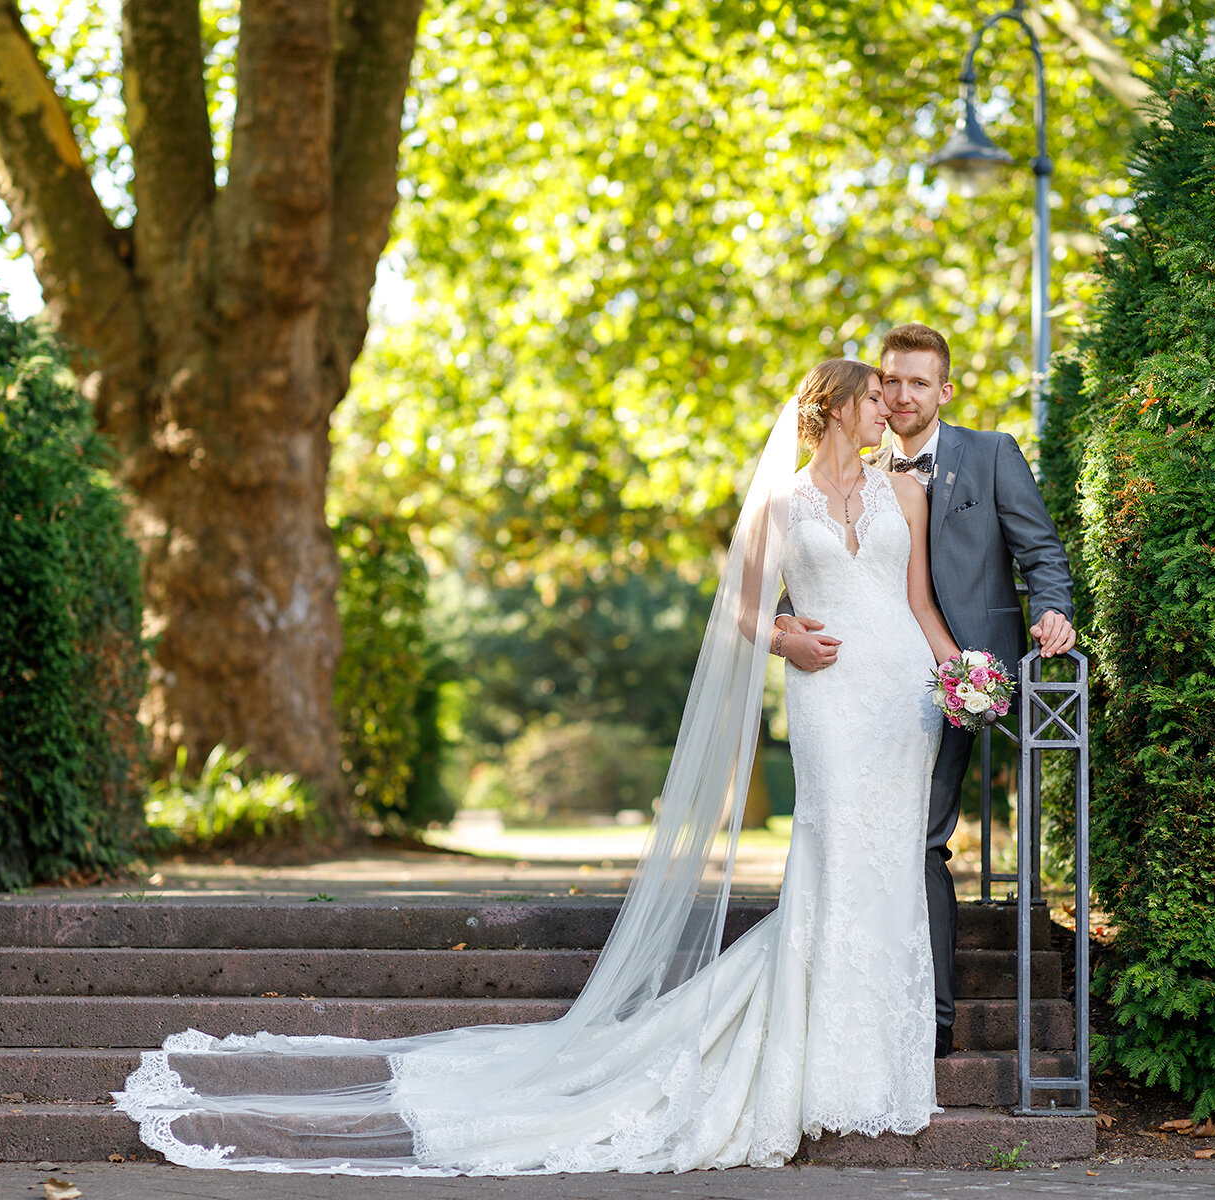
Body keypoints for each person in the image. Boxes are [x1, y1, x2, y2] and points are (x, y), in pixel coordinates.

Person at [115, 358, 961, 1174]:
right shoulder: (780, 500)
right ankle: (817, 1069)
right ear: (834, 407)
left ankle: (881, 1066)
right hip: (827, 696)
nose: (888, 405)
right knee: (834, 861)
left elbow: (918, 602)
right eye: (873, 395)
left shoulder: (906, 492)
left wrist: (964, 677)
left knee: (889, 869)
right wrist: (783, 639)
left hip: (901, 698)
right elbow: (741, 609)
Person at [776, 323, 1075, 1060]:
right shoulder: (854, 472)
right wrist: (782, 630)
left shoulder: (991, 454)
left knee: (921, 838)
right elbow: (804, 581)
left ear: (944, 390)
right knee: (905, 840)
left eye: (917, 383)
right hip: (863, 683)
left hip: (964, 678)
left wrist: (1051, 611)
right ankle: (913, 1017)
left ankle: (927, 1020)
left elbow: (1039, 549)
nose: (901, 396)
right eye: (890, 383)